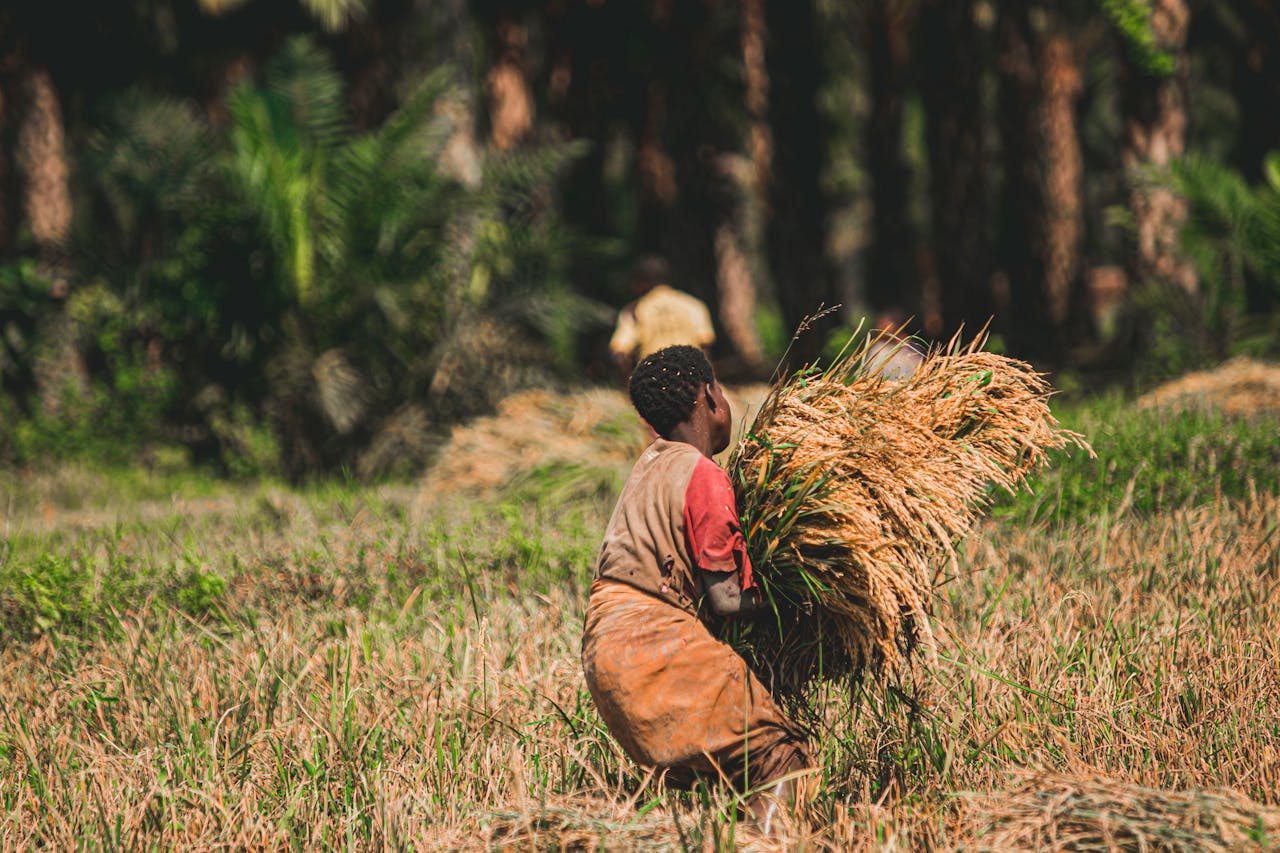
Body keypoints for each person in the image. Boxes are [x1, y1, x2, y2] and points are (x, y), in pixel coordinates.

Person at [581, 345, 812, 835]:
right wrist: (797, 602)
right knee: (780, 756)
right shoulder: (703, 474)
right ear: (710, 395)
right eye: (722, 389)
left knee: (727, 775)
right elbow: (727, 599)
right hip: (653, 641)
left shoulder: (648, 465)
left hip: (604, 645)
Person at [609, 256, 716, 380]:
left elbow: (619, 355)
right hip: (690, 380)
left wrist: (629, 385)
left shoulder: (634, 310)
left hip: (654, 383)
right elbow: (705, 348)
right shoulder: (693, 305)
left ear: (641, 282)